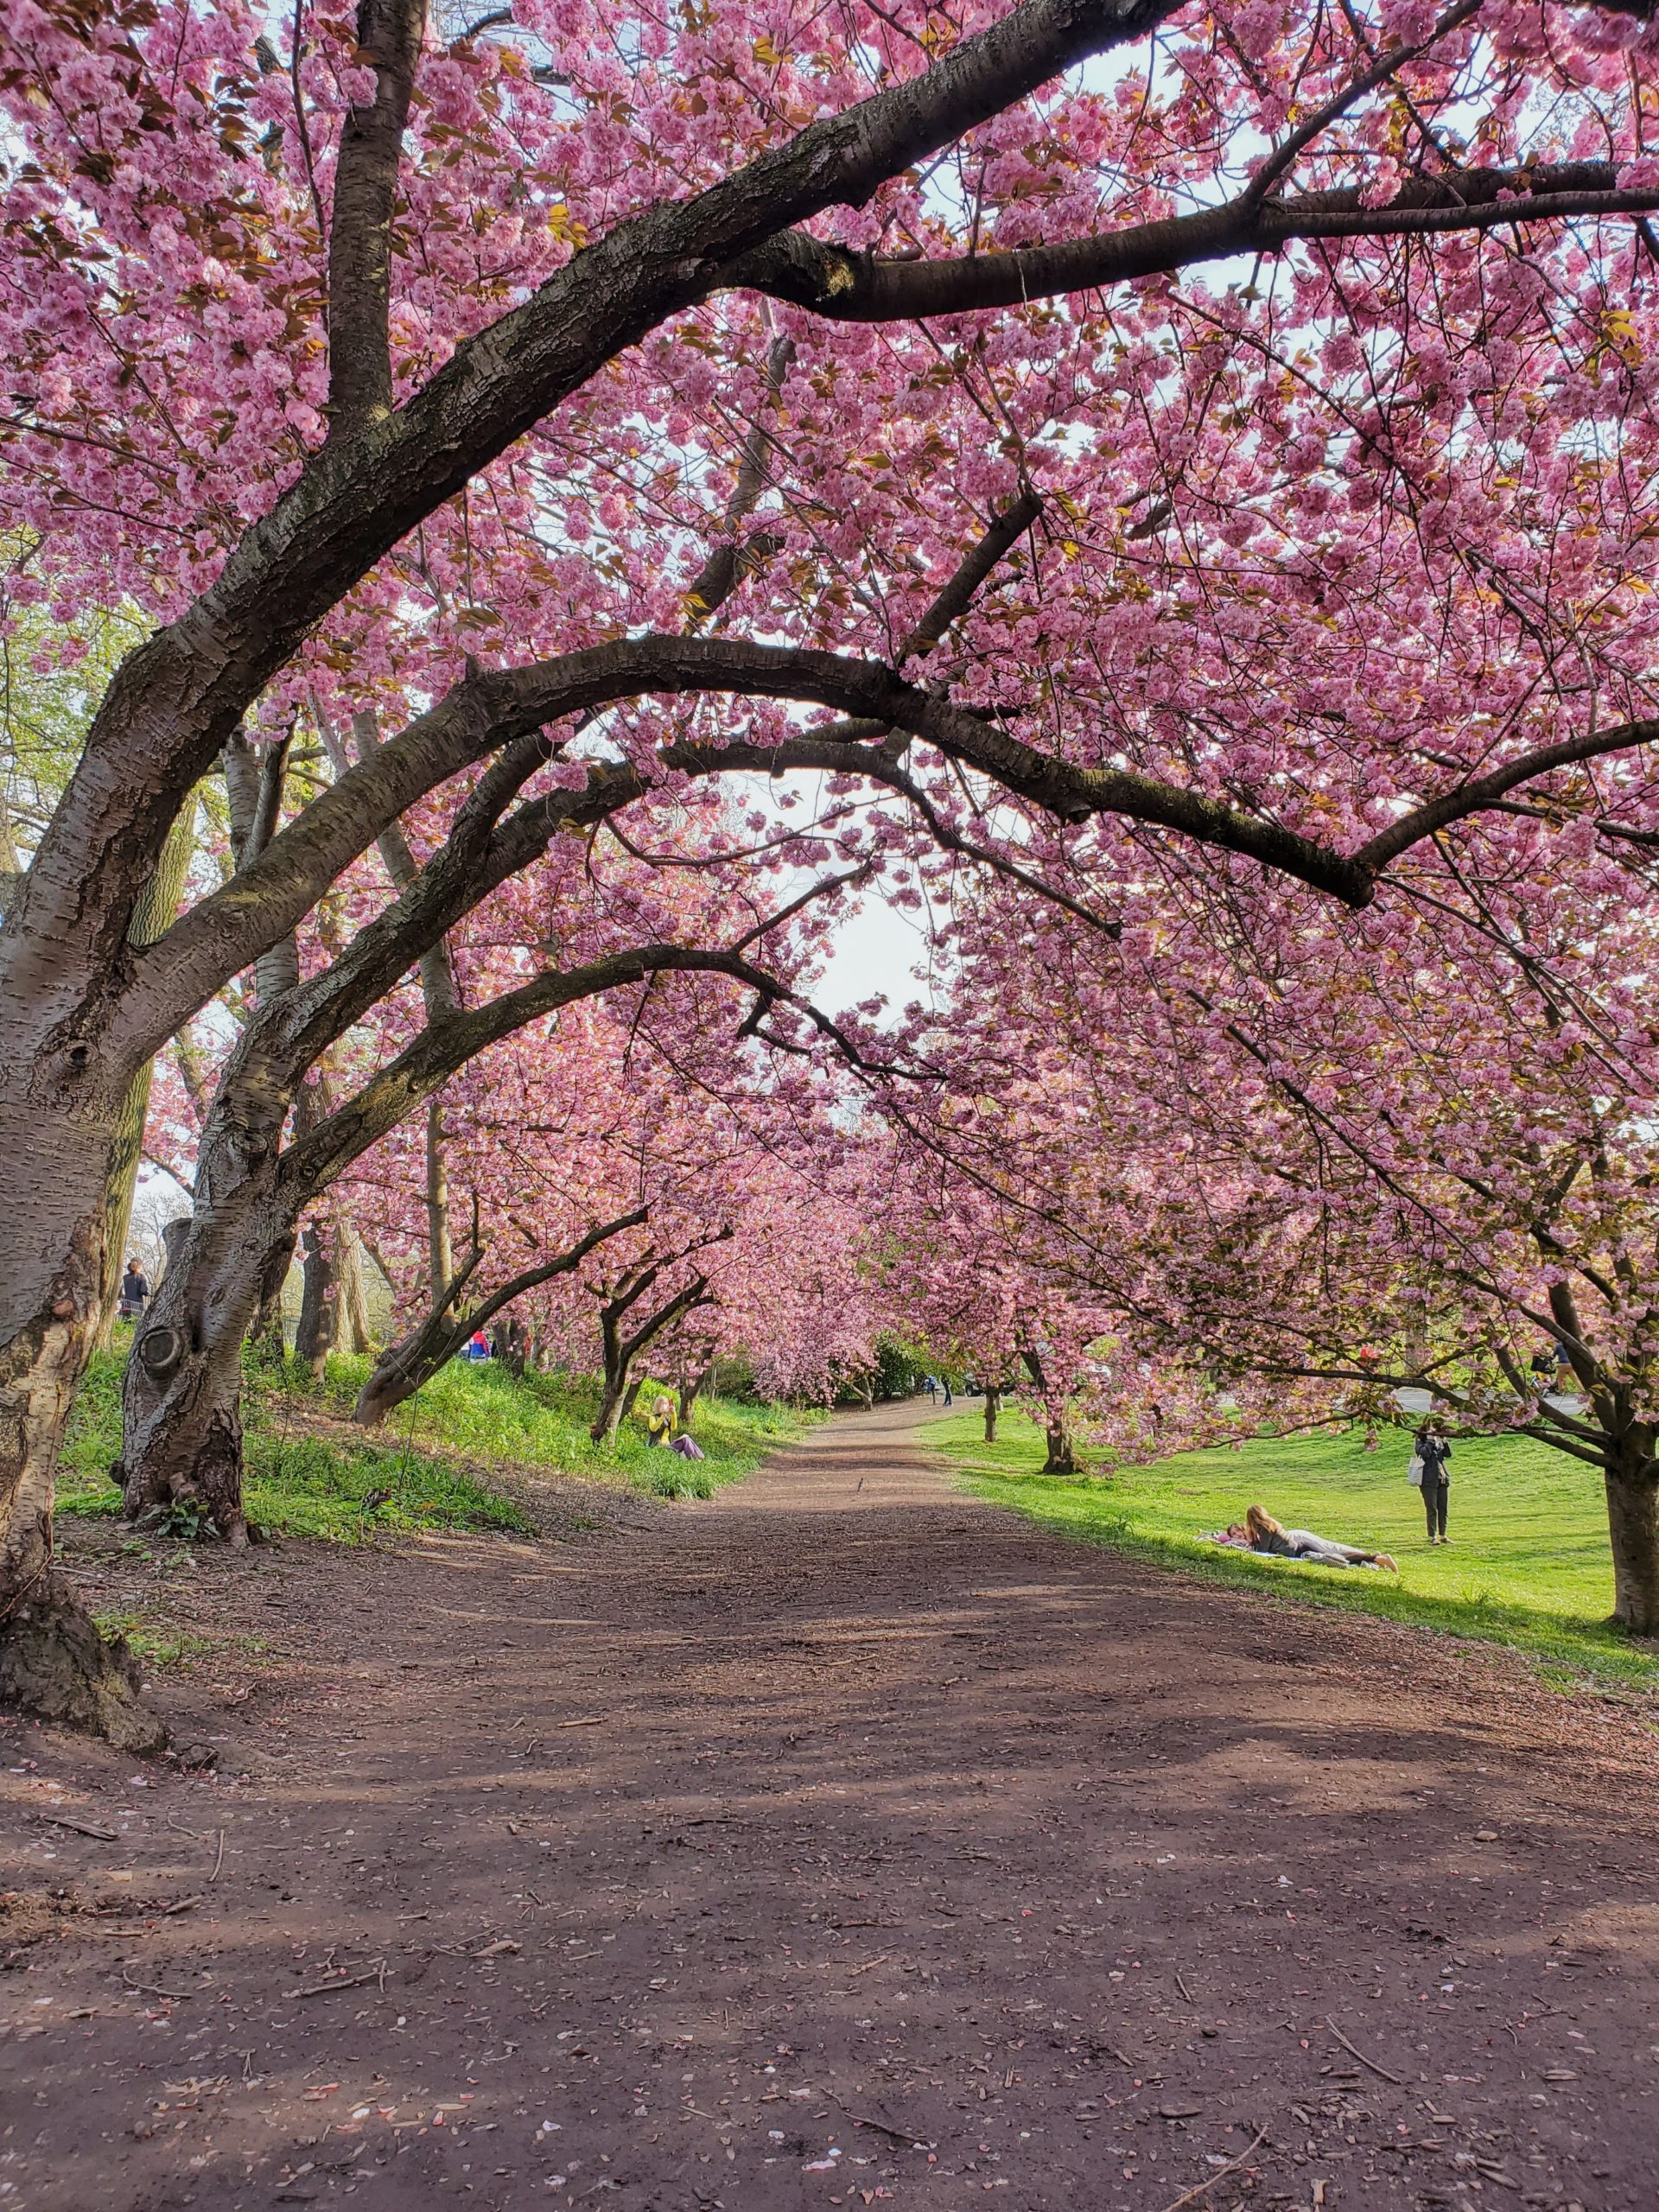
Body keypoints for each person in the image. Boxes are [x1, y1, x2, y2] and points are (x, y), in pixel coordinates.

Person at [1245, 1504, 1397, 1572]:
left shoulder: (1264, 1528)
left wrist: (1251, 1542)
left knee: (1337, 1558)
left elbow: (1263, 1551)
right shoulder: (1271, 1524)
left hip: (1299, 1551)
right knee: (1337, 1557)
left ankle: (1377, 1559)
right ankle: (1375, 1559)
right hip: (1300, 1547)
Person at [1415, 1420, 1452, 1545]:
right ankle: (1432, 1536)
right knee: (1432, 1508)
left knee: (1443, 1508)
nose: (1434, 1432)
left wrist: (1444, 1440)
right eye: (1431, 1429)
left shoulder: (1439, 1443)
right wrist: (1430, 1440)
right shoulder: (1421, 1442)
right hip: (1428, 1481)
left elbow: (1448, 1454)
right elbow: (1424, 1453)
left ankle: (1443, 1534)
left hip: (1441, 1479)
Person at [117, 1258, 149, 1322]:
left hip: (126, 1305)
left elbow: (121, 1291)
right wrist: (146, 1293)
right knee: (135, 1325)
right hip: (137, 1306)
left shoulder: (125, 1277)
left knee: (125, 1324)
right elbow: (143, 1290)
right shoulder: (141, 1277)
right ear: (140, 1266)